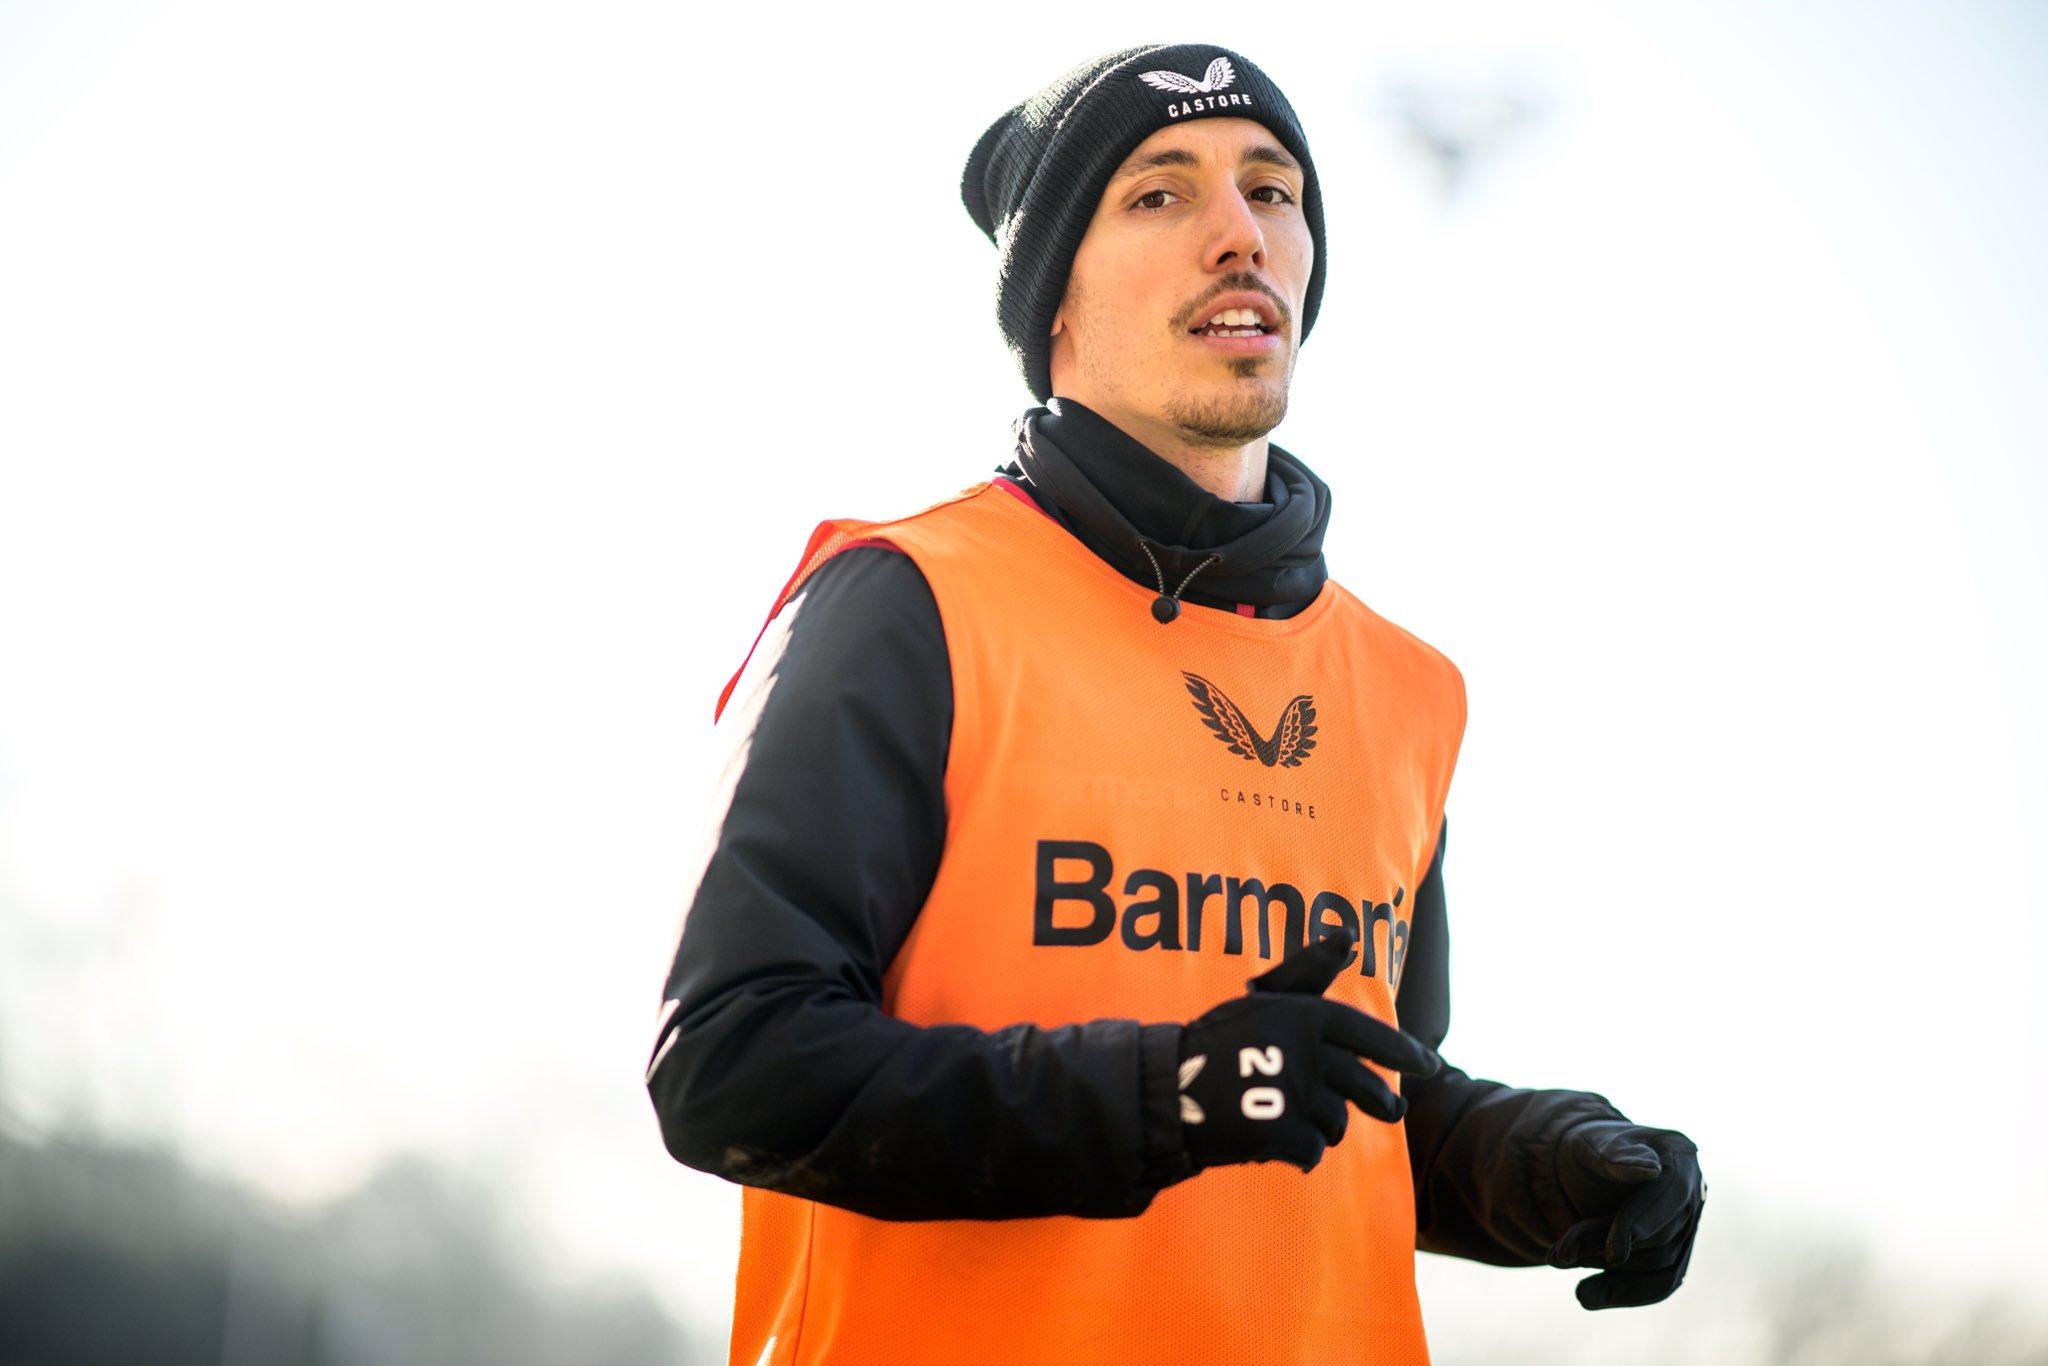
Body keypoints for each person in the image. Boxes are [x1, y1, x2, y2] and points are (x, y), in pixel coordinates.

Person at [645, 42, 1705, 1366]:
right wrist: (1167, 1092)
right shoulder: (907, 601)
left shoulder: (1409, 688)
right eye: (1160, 192)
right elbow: (733, 1067)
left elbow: (1341, 1097)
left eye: (1273, 190)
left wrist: (1531, 1167)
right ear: (1054, 301)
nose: (1239, 232)